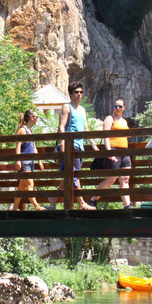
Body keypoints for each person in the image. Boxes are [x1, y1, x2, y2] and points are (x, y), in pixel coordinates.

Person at [48, 82, 99, 210]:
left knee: (70, 175)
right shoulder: (67, 107)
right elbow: (62, 126)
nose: (79, 94)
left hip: (79, 146)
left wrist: (92, 143)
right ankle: (81, 203)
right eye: (76, 92)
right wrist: (62, 143)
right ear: (70, 94)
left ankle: (53, 198)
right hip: (71, 145)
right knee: (74, 174)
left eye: (81, 92)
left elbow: (85, 128)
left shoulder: (82, 110)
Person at [88, 99, 133, 209]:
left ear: (124, 108)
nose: (118, 108)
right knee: (111, 179)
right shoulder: (110, 118)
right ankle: (93, 199)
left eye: (120, 106)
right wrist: (109, 151)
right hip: (113, 150)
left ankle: (127, 205)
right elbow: (106, 135)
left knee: (125, 179)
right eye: (116, 106)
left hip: (125, 151)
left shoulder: (124, 121)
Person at [13, 109, 45, 211]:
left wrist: (39, 161)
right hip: (24, 162)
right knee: (30, 185)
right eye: (36, 117)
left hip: (31, 162)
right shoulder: (22, 130)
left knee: (21, 187)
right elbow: (18, 146)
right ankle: (37, 207)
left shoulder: (30, 131)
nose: (37, 119)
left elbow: (34, 147)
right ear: (32, 118)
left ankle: (14, 209)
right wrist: (18, 160)